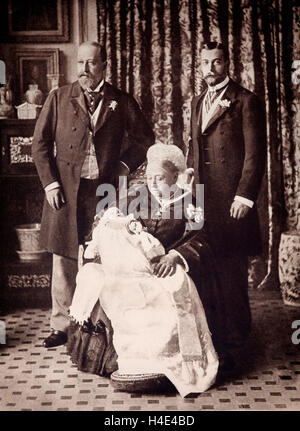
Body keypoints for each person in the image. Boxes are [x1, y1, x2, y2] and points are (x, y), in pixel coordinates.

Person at [66, 144, 223, 397]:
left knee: (164, 296)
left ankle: (160, 363)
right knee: (108, 286)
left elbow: (203, 239)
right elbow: (109, 221)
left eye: (160, 178)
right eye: (150, 178)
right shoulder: (137, 197)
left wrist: (174, 256)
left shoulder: (190, 202)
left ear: (175, 176)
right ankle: (127, 361)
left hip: (165, 267)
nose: (153, 184)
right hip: (132, 268)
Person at [32, 41, 155, 348]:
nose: (84, 69)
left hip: (104, 191)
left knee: (101, 254)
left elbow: (144, 140)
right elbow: (40, 144)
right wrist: (51, 184)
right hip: (65, 190)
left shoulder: (121, 101)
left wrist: (125, 165)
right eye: (80, 64)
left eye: (91, 63)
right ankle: (60, 326)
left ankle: (97, 323)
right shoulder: (58, 97)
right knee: (63, 257)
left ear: (104, 65)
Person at [187, 41, 266, 367]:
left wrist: (244, 197)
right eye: (205, 63)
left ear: (227, 64)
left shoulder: (246, 101)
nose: (210, 68)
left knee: (233, 276)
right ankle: (215, 342)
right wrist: (188, 181)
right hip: (204, 205)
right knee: (207, 272)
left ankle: (236, 347)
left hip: (233, 204)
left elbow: (255, 154)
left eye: (217, 62)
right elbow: (195, 146)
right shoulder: (196, 102)